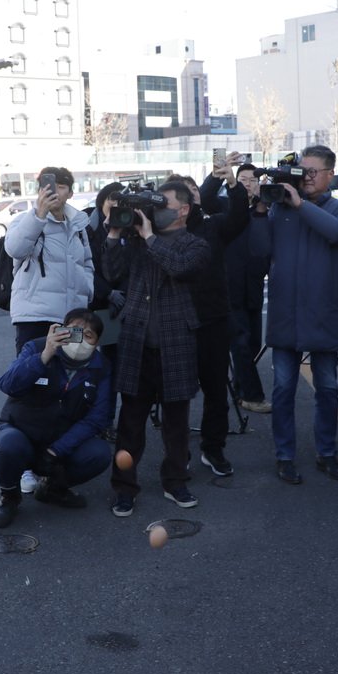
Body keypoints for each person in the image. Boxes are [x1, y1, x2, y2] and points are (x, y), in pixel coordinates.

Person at [250, 146, 338, 484]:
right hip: (285, 312)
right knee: (282, 389)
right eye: (302, 170)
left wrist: (299, 204)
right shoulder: (278, 210)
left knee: (326, 388)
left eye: (313, 171)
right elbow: (258, 253)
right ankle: (285, 456)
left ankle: (327, 452)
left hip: (322, 311)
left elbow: (337, 233)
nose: (306, 176)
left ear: (330, 175)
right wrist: (258, 209)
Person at [104, 181, 210, 515]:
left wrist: (149, 236)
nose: (156, 210)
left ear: (184, 209)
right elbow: (110, 273)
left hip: (176, 340)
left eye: (164, 204)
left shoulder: (195, 244)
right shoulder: (135, 240)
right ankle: (124, 487)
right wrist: (113, 234)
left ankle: (175, 481)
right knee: (130, 422)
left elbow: (179, 267)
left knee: (176, 421)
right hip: (137, 340)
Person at [0, 309, 113, 528]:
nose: (81, 340)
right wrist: (45, 354)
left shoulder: (100, 367)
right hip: (21, 430)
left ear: (97, 342)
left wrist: (57, 449)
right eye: (75, 332)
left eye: (89, 335)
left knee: (99, 453)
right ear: (62, 331)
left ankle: (53, 488)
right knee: (7, 445)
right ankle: (9, 496)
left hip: (60, 441)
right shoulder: (36, 347)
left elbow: (98, 418)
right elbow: (8, 384)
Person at [183, 155, 252, 476]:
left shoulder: (212, 226)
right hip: (176, 324)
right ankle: (177, 450)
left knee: (215, 391)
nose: (188, 202)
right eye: (181, 196)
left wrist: (232, 182)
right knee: (175, 394)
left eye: (192, 194)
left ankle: (214, 448)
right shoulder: (157, 231)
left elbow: (239, 216)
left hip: (213, 320)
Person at [4, 166, 95, 354]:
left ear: (70, 193)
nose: (54, 191)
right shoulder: (25, 220)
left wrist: (87, 289)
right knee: (33, 374)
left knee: (68, 374)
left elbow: (87, 263)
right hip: (35, 316)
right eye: (49, 186)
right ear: (40, 190)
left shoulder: (78, 225)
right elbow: (15, 249)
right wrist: (39, 215)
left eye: (61, 186)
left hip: (72, 317)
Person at [210, 163, 272, 413]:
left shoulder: (266, 211)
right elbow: (206, 197)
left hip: (255, 287)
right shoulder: (225, 208)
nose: (248, 183)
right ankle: (252, 395)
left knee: (253, 344)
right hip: (229, 287)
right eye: (243, 179)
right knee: (241, 344)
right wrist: (218, 173)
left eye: (253, 180)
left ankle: (239, 389)